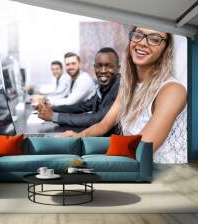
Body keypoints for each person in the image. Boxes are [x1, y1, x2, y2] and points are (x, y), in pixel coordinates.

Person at [59, 27, 187, 164]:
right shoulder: (127, 86)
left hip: (166, 174)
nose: (143, 43)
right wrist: (77, 137)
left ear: (166, 49)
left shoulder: (172, 90)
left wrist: (86, 162)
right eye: (138, 35)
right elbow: (104, 124)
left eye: (154, 39)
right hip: (134, 168)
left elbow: (139, 149)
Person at [37, 47, 121, 136]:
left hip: (114, 140)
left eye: (109, 66)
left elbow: (97, 118)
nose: (103, 71)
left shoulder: (119, 87)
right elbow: (83, 106)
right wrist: (52, 109)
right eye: (99, 66)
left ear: (118, 68)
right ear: (94, 67)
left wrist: (54, 116)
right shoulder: (103, 86)